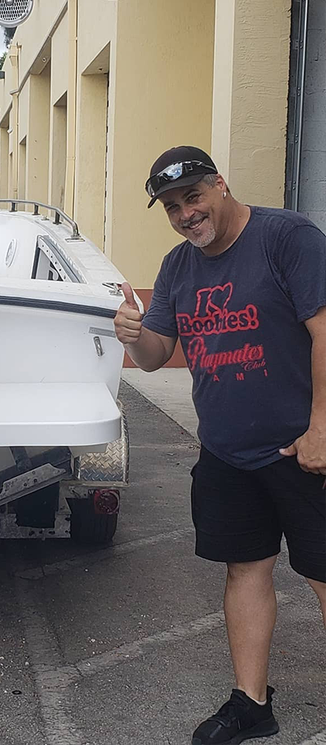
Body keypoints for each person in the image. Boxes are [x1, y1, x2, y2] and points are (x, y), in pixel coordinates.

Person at [114, 146, 326, 745]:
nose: (186, 214)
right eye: (173, 206)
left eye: (194, 197)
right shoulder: (179, 267)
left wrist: (322, 426)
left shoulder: (287, 238)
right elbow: (155, 358)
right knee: (245, 569)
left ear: (221, 185)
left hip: (300, 450)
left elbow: (324, 330)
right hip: (227, 455)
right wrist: (132, 332)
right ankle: (251, 704)